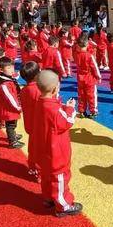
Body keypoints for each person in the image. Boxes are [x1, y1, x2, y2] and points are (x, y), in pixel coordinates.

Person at [35, 70, 82, 217]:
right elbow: (67, 121)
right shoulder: (54, 110)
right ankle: (63, 204)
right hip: (56, 151)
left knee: (47, 175)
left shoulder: (40, 103)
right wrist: (70, 108)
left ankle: (48, 198)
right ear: (55, 89)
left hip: (43, 149)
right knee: (60, 177)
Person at [0, 56, 25, 149]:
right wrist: (18, 107)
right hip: (8, 108)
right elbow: (10, 97)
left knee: (13, 123)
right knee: (10, 124)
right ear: (1, 69)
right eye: (9, 68)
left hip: (10, 108)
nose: (12, 69)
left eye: (12, 67)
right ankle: (12, 141)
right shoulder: (4, 84)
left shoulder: (5, 78)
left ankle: (13, 135)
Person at [20, 61, 42, 179]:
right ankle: (39, 171)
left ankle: (32, 167)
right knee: (40, 149)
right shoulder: (38, 91)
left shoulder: (24, 90)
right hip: (39, 125)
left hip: (30, 124)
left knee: (32, 147)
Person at [75, 34, 101, 118]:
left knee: (81, 95)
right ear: (87, 44)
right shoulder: (89, 56)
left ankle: (82, 110)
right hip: (89, 79)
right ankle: (93, 110)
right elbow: (94, 67)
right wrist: (98, 76)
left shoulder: (77, 55)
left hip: (80, 78)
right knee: (91, 95)